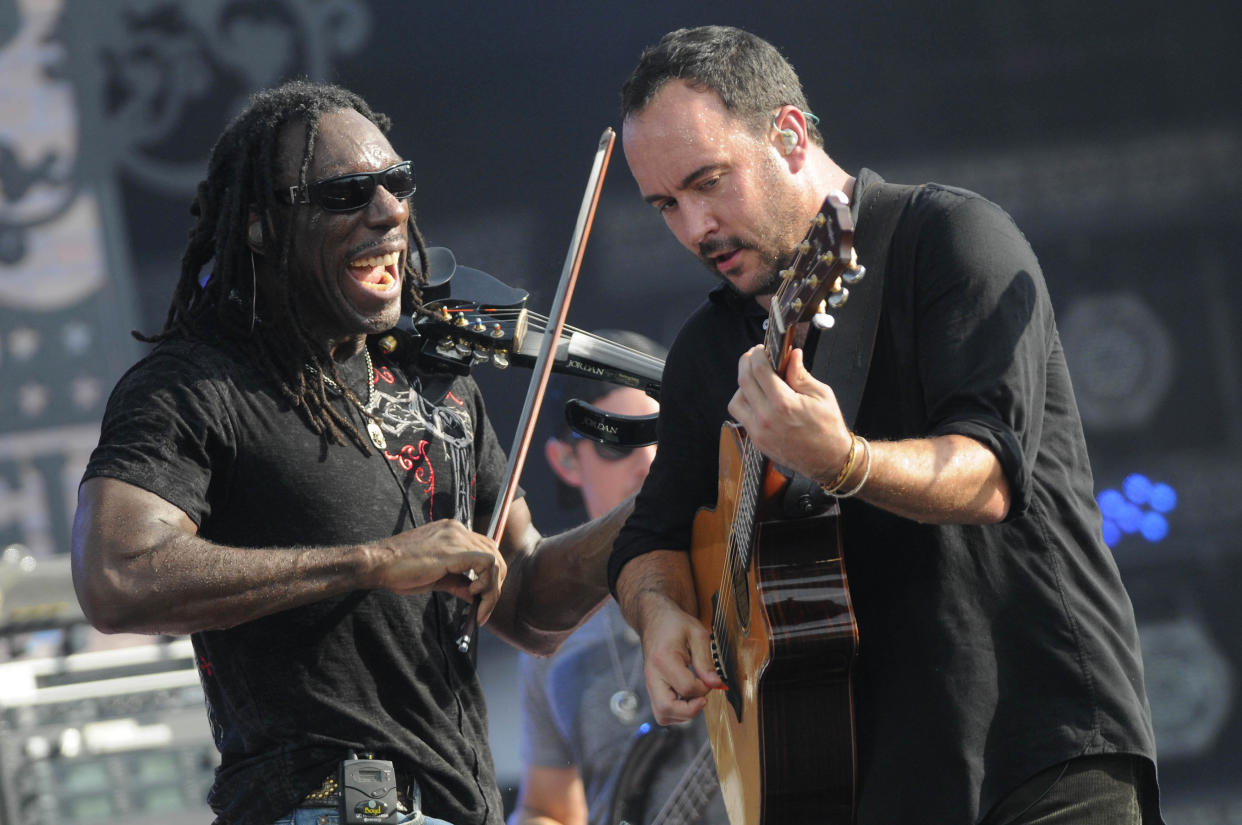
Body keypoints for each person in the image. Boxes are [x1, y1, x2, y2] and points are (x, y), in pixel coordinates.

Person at [608, 25, 1163, 825]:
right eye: (667, 204)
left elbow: (991, 472)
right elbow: (647, 538)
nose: (696, 228)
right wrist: (661, 614)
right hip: (860, 784)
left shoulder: (949, 241)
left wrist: (845, 462)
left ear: (789, 135)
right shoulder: (708, 349)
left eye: (709, 182)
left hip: (1039, 751)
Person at [69, 80, 628, 825]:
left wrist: (662, 504)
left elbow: (523, 600)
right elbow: (116, 574)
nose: (390, 209)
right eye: (346, 193)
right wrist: (369, 561)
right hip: (326, 802)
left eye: (398, 183)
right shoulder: (199, 382)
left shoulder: (440, 382)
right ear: (264, 226)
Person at [511, 331, 727, 825]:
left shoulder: (732, 559)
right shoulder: (551, 632)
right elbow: (548, 807)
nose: (647, 461)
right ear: (566, 460)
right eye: (618, 441)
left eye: (660, 435)